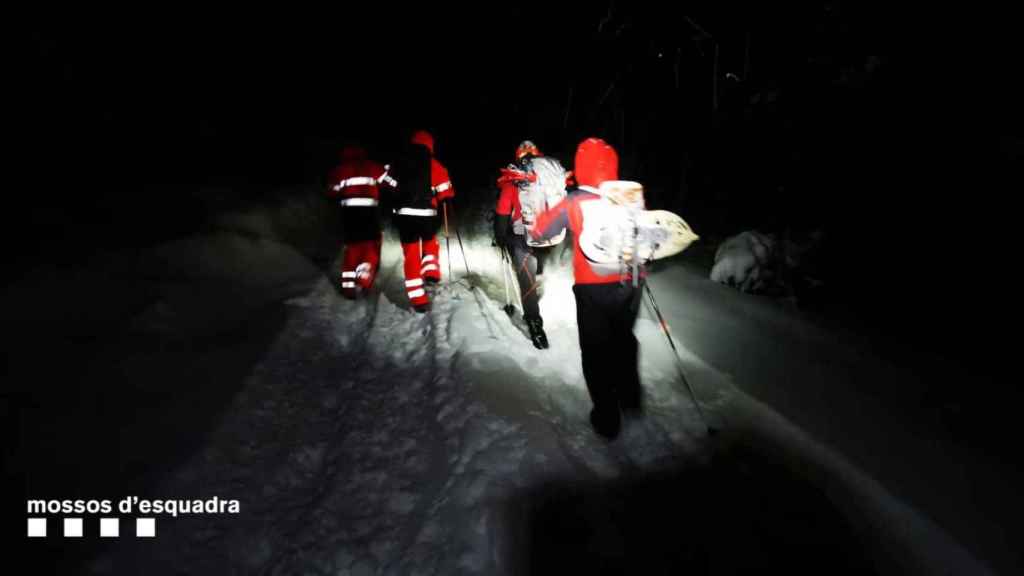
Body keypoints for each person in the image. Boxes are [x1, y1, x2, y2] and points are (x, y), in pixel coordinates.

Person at [530, 137, 643, 440]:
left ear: (581, 167)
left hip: (592, 287)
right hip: (632, 282)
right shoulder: (631, 196)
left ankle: (607, 418)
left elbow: (541, 228)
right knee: (623, 339)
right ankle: (631, 398)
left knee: (595, 351)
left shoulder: (575, 200)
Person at [389, 130, 455, 312]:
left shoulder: (399, 163)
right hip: (427, 215)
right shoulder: (435, 166)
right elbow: (446, 193)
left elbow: (389, 186)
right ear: (430, 146)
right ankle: (431, 272)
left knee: (411, 255)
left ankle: (418, 300)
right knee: (430, 243)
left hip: (404, 216)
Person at [494, 140, 551, 349]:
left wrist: (500, 237)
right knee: (536, 268)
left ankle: (535, 325)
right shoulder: (548, 179)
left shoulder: (514, 180)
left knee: (526, 282)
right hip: (547, 236)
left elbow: (502, 211)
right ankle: (539, 275)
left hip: (522, 237)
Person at [326, 144, 391, 299]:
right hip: (369, 213)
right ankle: (363, 278)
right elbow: (391, 183)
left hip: (349, 214)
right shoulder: (373, 167)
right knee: (371, 246)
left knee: (352, 248)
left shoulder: (340, 170)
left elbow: (331, 191)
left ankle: (348, 288)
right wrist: (388, 171)